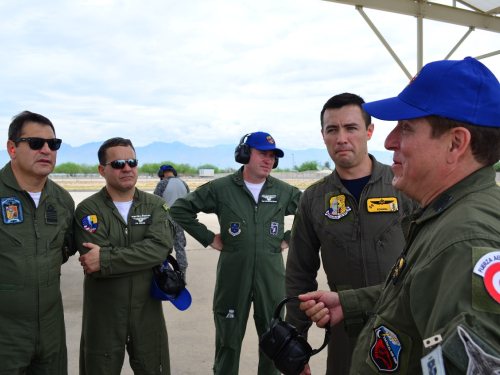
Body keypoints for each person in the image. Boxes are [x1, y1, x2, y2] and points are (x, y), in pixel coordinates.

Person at [299, 57, 500, 374]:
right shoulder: (447, 215)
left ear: (456, 143)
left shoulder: (465, 239)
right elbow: (421, 289)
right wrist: (351, 304)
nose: (390, 140)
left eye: (406, 128)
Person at [285, 93, 417, 375]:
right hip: (346, 332)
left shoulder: (405, 186)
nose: (341, 138)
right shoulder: (313, 199)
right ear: (323, 135)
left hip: (404, 327)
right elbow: (299, 274)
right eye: (332, 129)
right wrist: (295, 342)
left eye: (351, 127)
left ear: (369, 131)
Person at [170, 131, 302, 375]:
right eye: (263, 154)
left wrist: (288, 239)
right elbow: (179, 209)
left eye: (273, 156)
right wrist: (209, 238)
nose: (269, 160)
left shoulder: (284, 191)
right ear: (244, 154)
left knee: (274, 340)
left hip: (271, 277)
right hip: (233, 277)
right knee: (228, 342)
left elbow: (310, 213)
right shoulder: (221, 188)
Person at [74, 137, 174, 375]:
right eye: (118, 163)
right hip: (104, 317)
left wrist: (107, 259)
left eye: (132, 161)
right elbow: (92, 261)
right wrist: (144, 256)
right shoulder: (88, 210)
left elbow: (160, 248)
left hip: (147, 313)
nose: (127, 168)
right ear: (102, 170)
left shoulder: (155, 206)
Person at [0, 111, 74, 374]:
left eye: (53, 144)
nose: (46, 150)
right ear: (12, 148)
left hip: (51, 331)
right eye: (35, 143)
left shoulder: (63, 201)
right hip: (5, 335)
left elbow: (65, 249)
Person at [154, 164, 190, 280]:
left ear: (162, 174)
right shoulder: (183, 184)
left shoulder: (162, 183)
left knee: (163, 246)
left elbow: (154, 202)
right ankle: (182, 274)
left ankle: (163, 273)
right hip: (181, 219)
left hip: (166, 220)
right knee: (180, 247)